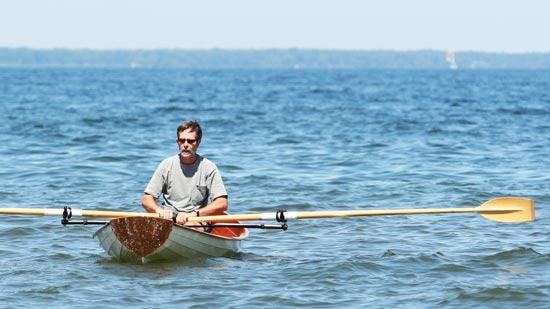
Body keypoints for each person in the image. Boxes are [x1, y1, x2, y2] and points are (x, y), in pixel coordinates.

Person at [142, 120, 228, 229]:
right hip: (168, 218)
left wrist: (194, 214)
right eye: (182, 141)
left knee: (190, 225)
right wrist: (159, 211)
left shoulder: (209, 168)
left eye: (190, 141)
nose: (185, 145)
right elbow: (146, 199)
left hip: (195, 220)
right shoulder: (166, 165)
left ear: (198, 142)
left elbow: (222, 203)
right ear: (177, 142)